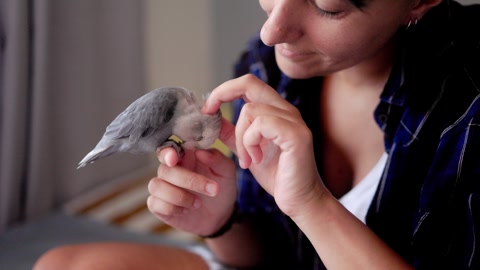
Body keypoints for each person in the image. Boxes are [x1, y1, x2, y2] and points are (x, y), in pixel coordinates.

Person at [34, 0, 480, 269]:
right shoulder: (268, 68)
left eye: (327, 5)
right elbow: (267, 257)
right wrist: (220, 222)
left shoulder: (469, 112)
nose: (272, 30)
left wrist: (312, 206)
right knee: (63, 264)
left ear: (420, 2)